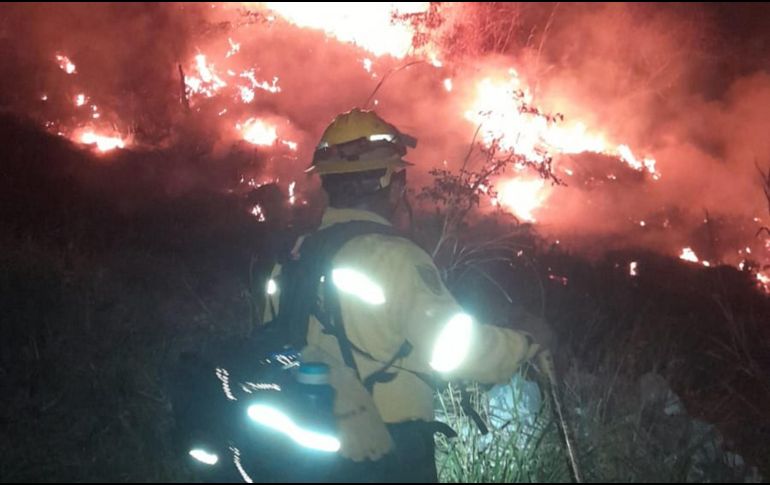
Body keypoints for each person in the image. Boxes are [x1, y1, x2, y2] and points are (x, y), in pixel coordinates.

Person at [264, 108, 553, 483]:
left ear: (326, 184)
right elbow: (455, 349)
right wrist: (525, 345)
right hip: (387, 448)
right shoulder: (396, 258)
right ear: (392, 182)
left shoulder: (294, 256)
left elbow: (275, 342)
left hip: (308, 445)